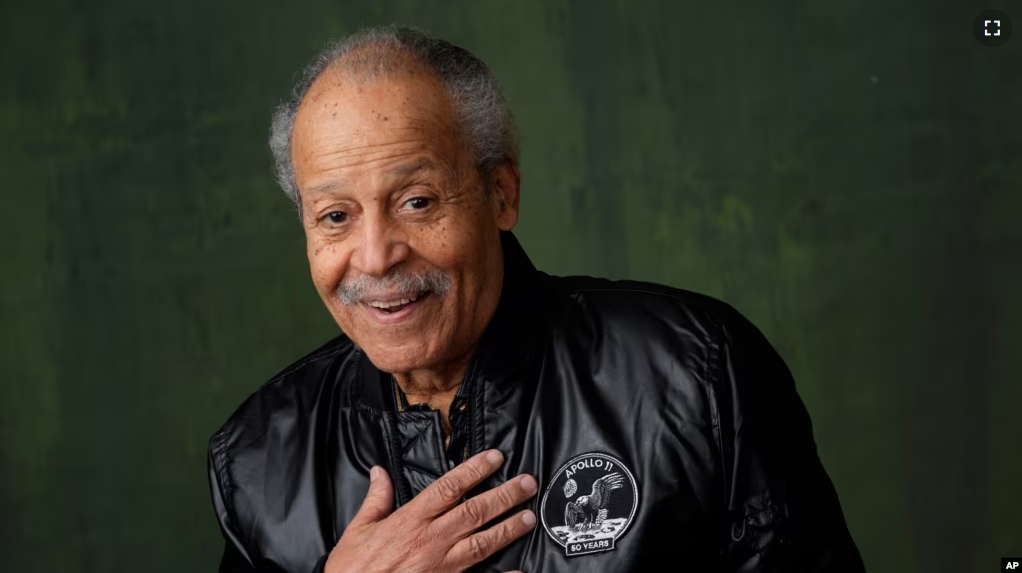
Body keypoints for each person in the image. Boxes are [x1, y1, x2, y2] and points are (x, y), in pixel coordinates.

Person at [207, 24, 865, 573]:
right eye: (335, 217)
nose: (376, 256)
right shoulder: (260, 459)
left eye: (417, 201)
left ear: (501, 193)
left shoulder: (694, 375)